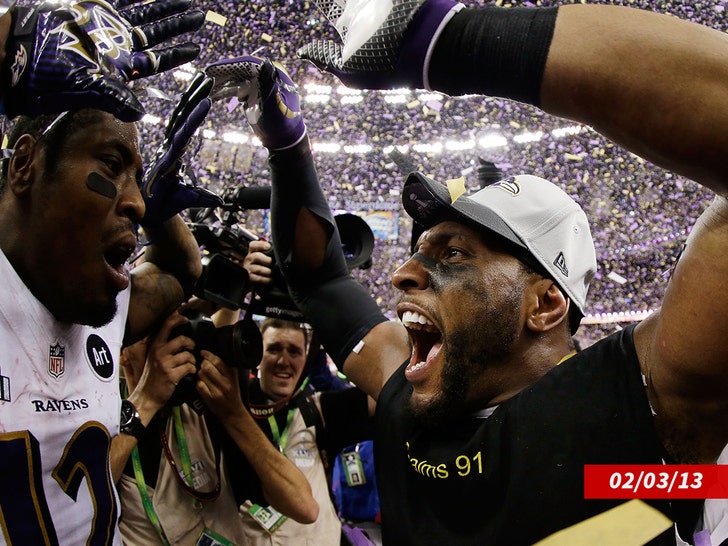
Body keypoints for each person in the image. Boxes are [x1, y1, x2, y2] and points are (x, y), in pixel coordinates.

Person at [205, 0, 728, 538]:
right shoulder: (411, 400)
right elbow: (320, 281)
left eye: (452, 254)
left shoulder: (636, 408)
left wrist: (447, 38)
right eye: (420, 251)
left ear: (545, 304)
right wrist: (288, 148)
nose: (402, 274)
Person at [0, 0, 210, 543]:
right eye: (111, 168)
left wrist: (165, 212)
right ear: (25, 164)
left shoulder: (95, 303)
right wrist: (9, 40)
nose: (137, 204)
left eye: (138, 181)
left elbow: (183, 270)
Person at [116, 310, 319, 546]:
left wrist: (234, 414)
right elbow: (76, 501)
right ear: (123, 351)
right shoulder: (103, 419)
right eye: (150, 338)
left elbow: (304, 507)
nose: (162, 352)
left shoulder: (204, 410)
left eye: (170, 336)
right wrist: (148, 399)